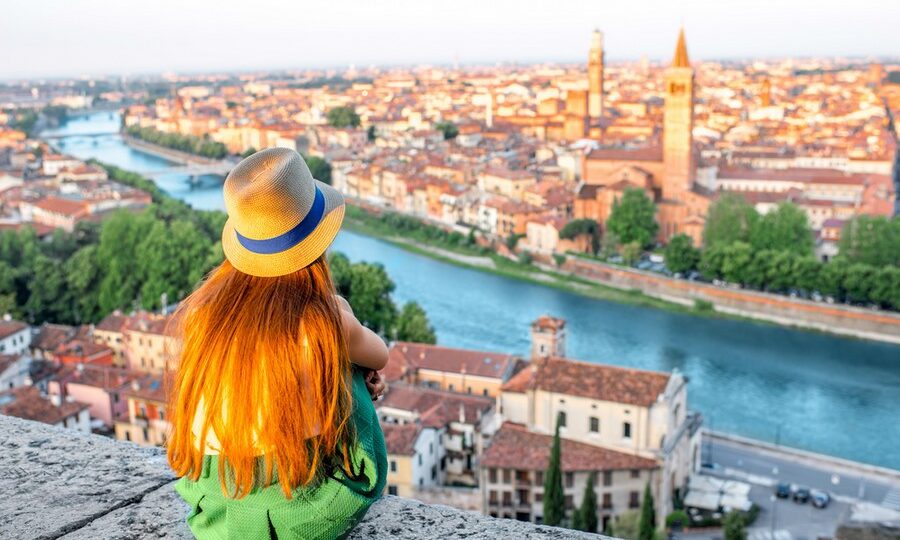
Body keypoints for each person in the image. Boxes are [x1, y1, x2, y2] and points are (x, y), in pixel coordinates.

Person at [166, 148, 389, 539]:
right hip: (301, 504)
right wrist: (342, 320)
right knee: (340, 353)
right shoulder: (325, 319)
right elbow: (380, 354)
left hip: (218, 499)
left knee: (328, 346)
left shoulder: (204, 315)